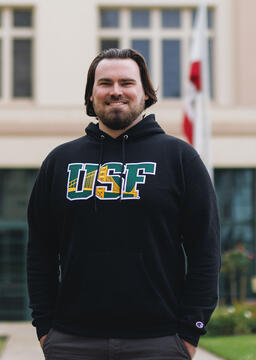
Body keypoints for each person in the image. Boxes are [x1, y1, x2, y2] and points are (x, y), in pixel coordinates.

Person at [27, 48, 220, 360]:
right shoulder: (60, 162)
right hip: (71, 342)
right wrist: (45, 327)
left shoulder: (180, 159)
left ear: (145, 93)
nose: (115, 91)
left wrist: (190, 331)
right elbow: (40, 252)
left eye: (126, 83)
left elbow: (205, 252)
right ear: (91, 95)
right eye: (105, 83)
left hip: (159, 343)